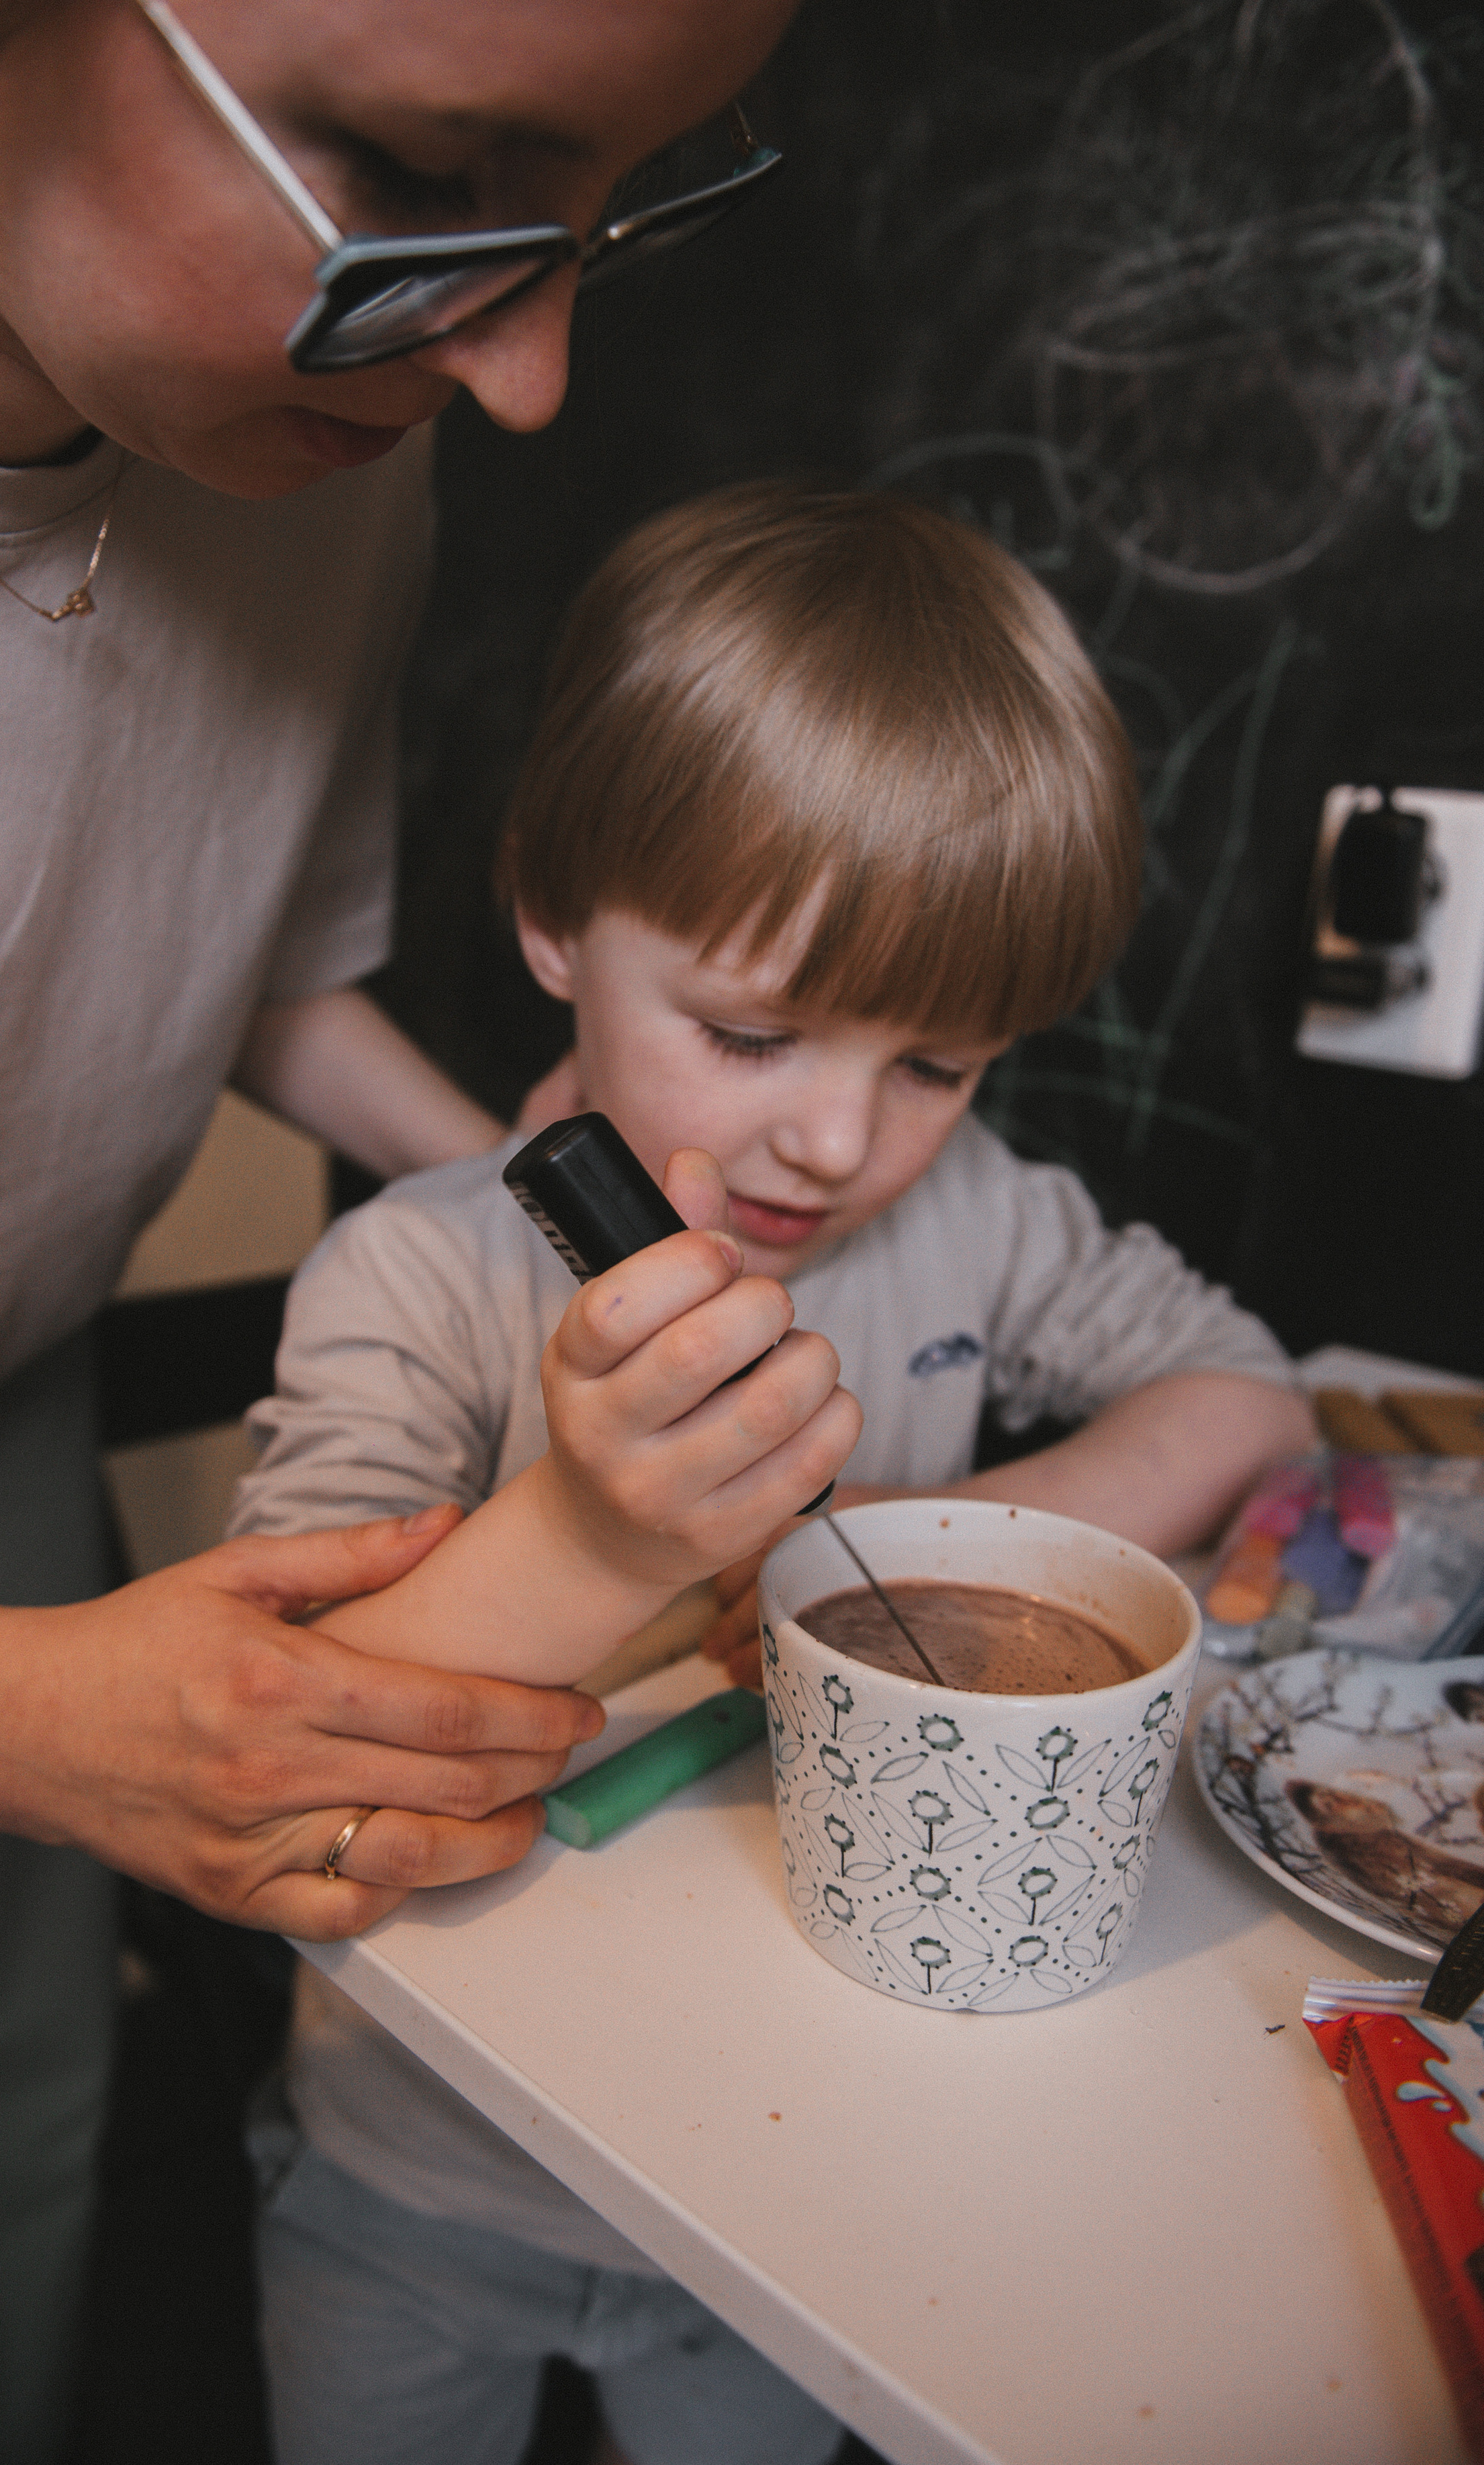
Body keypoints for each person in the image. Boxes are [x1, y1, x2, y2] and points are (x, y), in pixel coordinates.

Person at [0, 0, 855, 2456]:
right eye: (429, 175)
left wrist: (567, 1198)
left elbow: (216, 948)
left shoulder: (315, 416)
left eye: (606, 210)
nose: (528, 367)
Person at [227, 483, 1317, 2465]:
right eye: (752, 1032)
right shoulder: (412, 1274)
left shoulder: (973, 1212)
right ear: (554, 915)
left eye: (937, 1061)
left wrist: (880, 1558)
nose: (839, 1139)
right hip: (424, 2179)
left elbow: (1247, 1395)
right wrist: (601, 1535)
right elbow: (287, 1745)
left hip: (805, 2186)